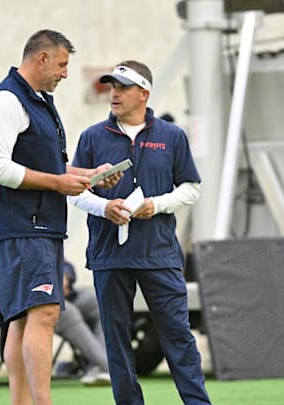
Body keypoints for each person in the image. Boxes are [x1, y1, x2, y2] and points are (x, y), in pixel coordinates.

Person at [0, 30, 119, 405]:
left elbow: (50, 168)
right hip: (20, 229)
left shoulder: (39, 101)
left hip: (36, 229)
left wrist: (87, 175)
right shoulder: (7, 100)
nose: (65, 73)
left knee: (25, 320)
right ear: (41, 59)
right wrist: (58, 182)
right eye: (61, 65)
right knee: (44, 314)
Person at [69, 60, 211, 404]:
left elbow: (191, 188)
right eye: (111, 87)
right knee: (116, 342)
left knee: (178, 336)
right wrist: (105, 207)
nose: (114, 94)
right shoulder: (91, 137)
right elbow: (75, 191)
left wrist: (155, 205)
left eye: (122, 87)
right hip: (108, 255)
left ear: (143, 94)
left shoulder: (172, 136)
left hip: (159, 253)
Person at [53, 260, 110, 386]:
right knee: (68, 311)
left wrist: (65, 275)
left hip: (68, 297)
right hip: (39, 301)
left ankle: (99, 367)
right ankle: (109, 366)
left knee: (97, 302)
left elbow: (66, 264)